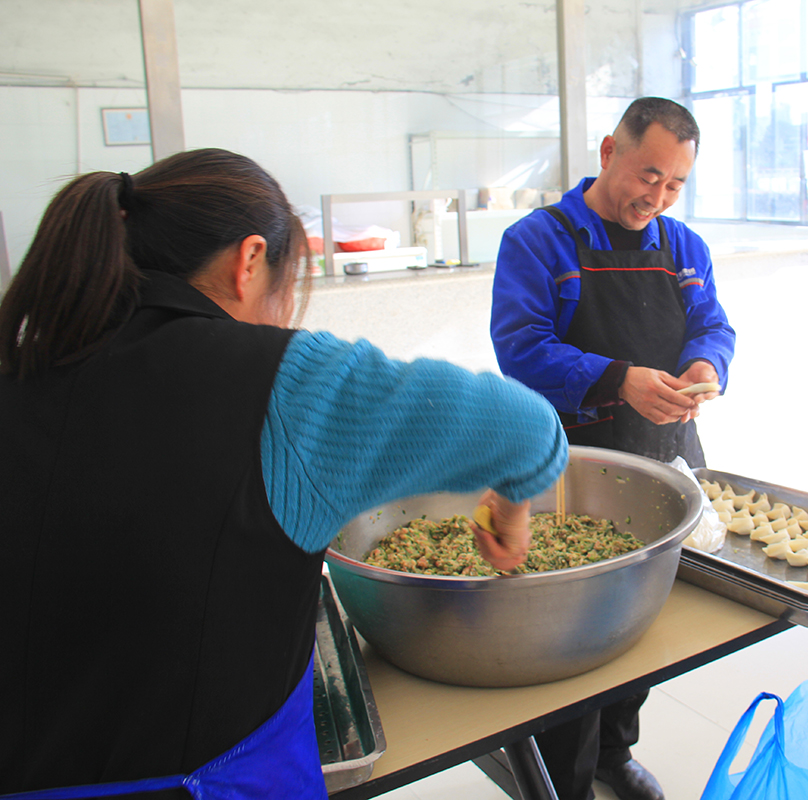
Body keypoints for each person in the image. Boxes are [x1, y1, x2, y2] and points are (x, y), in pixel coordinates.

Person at [0, 148, 568, 799]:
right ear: (247, 261)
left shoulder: (26, 364)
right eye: (285, 283)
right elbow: (526, 431)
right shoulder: (283, 384)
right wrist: (513, 518)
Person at [490, 97, 735, 800]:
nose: (655, 198)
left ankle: (613, 753)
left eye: (674, 186)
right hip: (569, 464)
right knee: (574, 634)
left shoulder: (684, 247)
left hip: (666, 454)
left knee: (646, 620)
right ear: (607, 153)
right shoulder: (539, 241)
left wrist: (707, 366)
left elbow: (713, 325)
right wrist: (616, 378)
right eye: (646, 176)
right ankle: (559, 775)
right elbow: (521, 348)